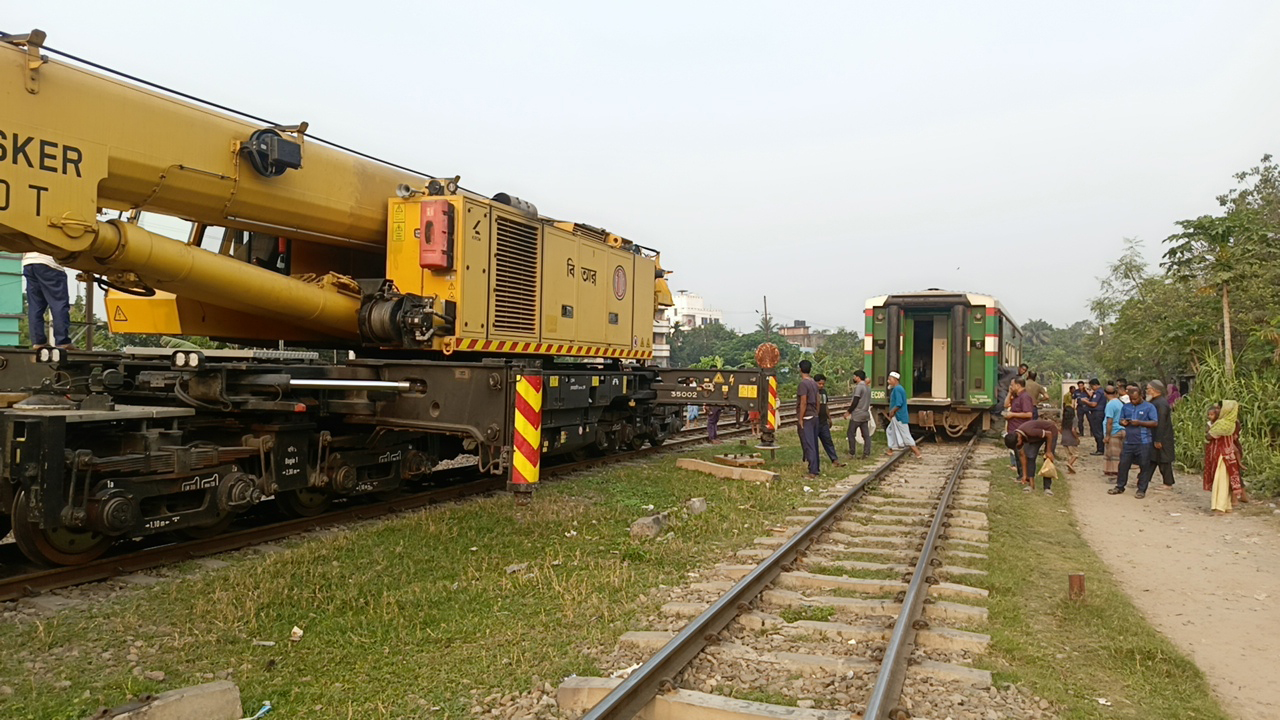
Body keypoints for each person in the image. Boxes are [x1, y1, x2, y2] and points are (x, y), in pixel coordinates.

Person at [1108, 384, 1157, 498]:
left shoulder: (1149, 407)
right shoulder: (1126, 407)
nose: (1133, 401)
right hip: (1128, 441)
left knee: (1144, 466)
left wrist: (1140, 422)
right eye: (1131, 399)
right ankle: (1120, 486)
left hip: (1143, 441)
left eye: (1135, 399)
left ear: (1141, 396)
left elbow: (1154, 422)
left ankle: (1141, 489)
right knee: (1123, 465)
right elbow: (1120, 419)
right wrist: (1123, 422)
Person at [22, 252, 73, 349]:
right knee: (58, 304)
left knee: (35, 306)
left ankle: (38, 342)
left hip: (28, 263)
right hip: (49, 263)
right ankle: (62, 341)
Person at [1204, 401, 1248, 512]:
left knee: (1221, 480)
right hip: (1229, 455)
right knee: (1227, 479)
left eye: (1220, 408)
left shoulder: (1222, 424)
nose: (1218, 410)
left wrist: (1210, 431)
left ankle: (1219, 506)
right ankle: (1227, 505)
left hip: (1221, 456)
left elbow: (1210, 437)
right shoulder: (1233, 422)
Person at [1005, 418, 1060, 495]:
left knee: (1047, 458)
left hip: (1050, 432)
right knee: (1030, 456)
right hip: (1037, 437)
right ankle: (1031, 485)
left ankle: (1047, 488)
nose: (1017, 446)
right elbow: (1023, 456)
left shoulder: (1029, 431)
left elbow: (1049, 434)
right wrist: (1024, 475)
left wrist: (1048, 451)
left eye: (1017, 445)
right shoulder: (1016, 438)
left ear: (1019, 438)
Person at [884, 371, 922, 459]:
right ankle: (890, 450)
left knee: (906, 435)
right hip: (897, 416)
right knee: (890, 431)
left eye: (890, 379)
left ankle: (917, 453)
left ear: (895, 380)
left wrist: (892, 411)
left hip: (899, 416)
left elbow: (899, 403)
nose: (888, 381)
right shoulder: (898, 388)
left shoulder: (897, 389)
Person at [1147, 380, 1175, 490]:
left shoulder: (1161, 403)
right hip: (1155, 435)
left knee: (1164, 460)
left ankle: (1168, 483)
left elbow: (1161, 422)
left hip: (1162, 436)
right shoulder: (1155, 401)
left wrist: (1158, 439)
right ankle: (1144, 479)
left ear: (1155, 390)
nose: (1147, 391)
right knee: (1153, 459)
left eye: (1149, 389)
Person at [813, 375, 846, 469]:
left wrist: (829, 418)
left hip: (823, 421)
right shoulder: (812, 392)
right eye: (819, 383)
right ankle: (812, 460)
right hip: (815, 421)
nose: (821, 386)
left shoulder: (824, 392)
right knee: (813, 443)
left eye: (823, 384)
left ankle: (835, 460)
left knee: (828, 441)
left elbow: (826, 405)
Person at [1005, 377, 1034, 477]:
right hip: (1014, 429)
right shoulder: (1016, 396)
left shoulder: (1025, 397)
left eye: (1012, 385)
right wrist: (1009, 393)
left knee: (1021, 454)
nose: (1011, 387)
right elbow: (1005, 404)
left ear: (1018, 385)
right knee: (1017, 454)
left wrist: (1013, 414)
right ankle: (1020, 475)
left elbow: (1029, 414)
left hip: (1021, 430)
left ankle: (1023, 475)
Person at [796, 359, 821, 478]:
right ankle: (816, 468)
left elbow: (803, 402)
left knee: (808, 444)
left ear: (800, 369)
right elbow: (818, 400)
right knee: (814, 443)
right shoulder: (814, 383)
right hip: (815, 416)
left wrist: (801, 418)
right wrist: (817, 412)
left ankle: (812, 471)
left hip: (807, 417)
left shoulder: (803, 384)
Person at [846, 370, 872, 458]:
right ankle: (866, 453)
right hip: (865, 414)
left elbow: (855, 401)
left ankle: (852, 453)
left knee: (850, 433)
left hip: (857, 414)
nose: (853, 378)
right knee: (866, 435)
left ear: (858, 377)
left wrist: (848, 411)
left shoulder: (859, 387)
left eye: (854, 376)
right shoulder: (868, 388)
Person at [1102, 385, 1124, 478]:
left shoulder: (1110, 404)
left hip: (1114, 431)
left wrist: (1107, 435)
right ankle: (1109, 470)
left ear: (1105, 393)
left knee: (1113, 453)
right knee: (1116, 452)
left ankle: (1114, 472)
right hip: (1121, 429)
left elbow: (1109, 421)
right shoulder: (1120, 403)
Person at [1083, 379, 1106, 455]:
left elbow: (1094, 404)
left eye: (1092, 386)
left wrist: (1086, 401)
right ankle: (1101, 448)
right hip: (1098, 413)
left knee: (1097, 431)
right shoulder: (1101, 392)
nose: (1091, 388)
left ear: (1095, 385)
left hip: (1097, 413)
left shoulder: (1098, 392)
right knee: (1098, 431)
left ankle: (1100, 449)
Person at [1060, 404, 1080, 474]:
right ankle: (1070, 464)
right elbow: (1073, 430)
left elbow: (1061, 430)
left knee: (1069, 455)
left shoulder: (1064, 419)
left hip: (1064, 438)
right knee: (1075, 454)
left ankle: (1070, 470)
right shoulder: (1074, 419)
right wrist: (1077, 438)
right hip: (1071, 439)